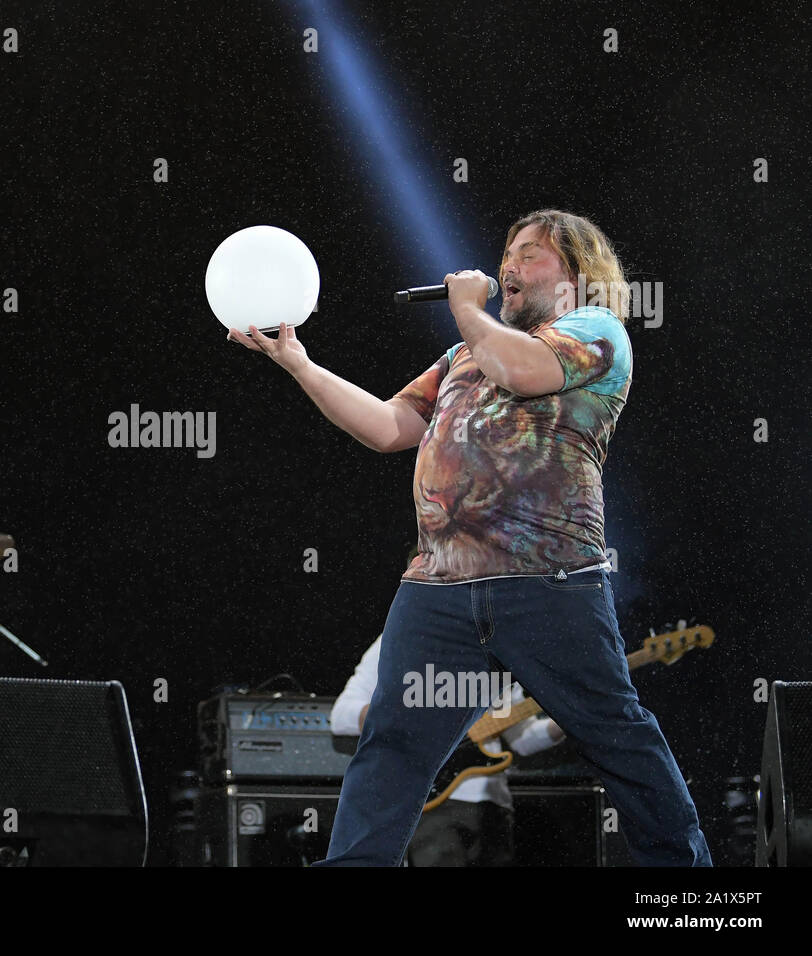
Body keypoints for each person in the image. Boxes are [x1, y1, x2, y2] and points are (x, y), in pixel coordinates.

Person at [229, 209, 711, 866]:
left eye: (530, 255)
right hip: (442, 594)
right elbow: (388, 425)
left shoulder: (593, 332)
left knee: (616, 737)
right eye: (507, 252)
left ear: (576, 275)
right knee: (394, 746)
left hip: (548, 585)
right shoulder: (464, 354)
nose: (508, 266)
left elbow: (523, 371)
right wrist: (299, 363)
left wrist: (466, 310)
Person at [331, 629, 563, 865]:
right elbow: (342, 714)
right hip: (435, 803)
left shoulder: (502, 647)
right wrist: (409, 717)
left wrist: (567, 721)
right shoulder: (402, 634)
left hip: (494, 807)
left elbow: (521, 739)